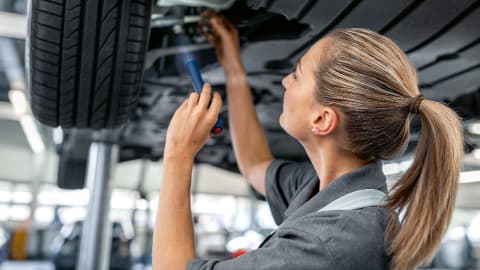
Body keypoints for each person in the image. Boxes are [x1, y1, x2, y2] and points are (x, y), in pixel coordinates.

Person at [152, 11, 465, 270]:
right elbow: (255, 165)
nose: (285, 80)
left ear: (322, 120)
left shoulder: (323, 246)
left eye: (298, 75)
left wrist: (178, 154)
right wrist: (233, 67)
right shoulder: (328, 192)